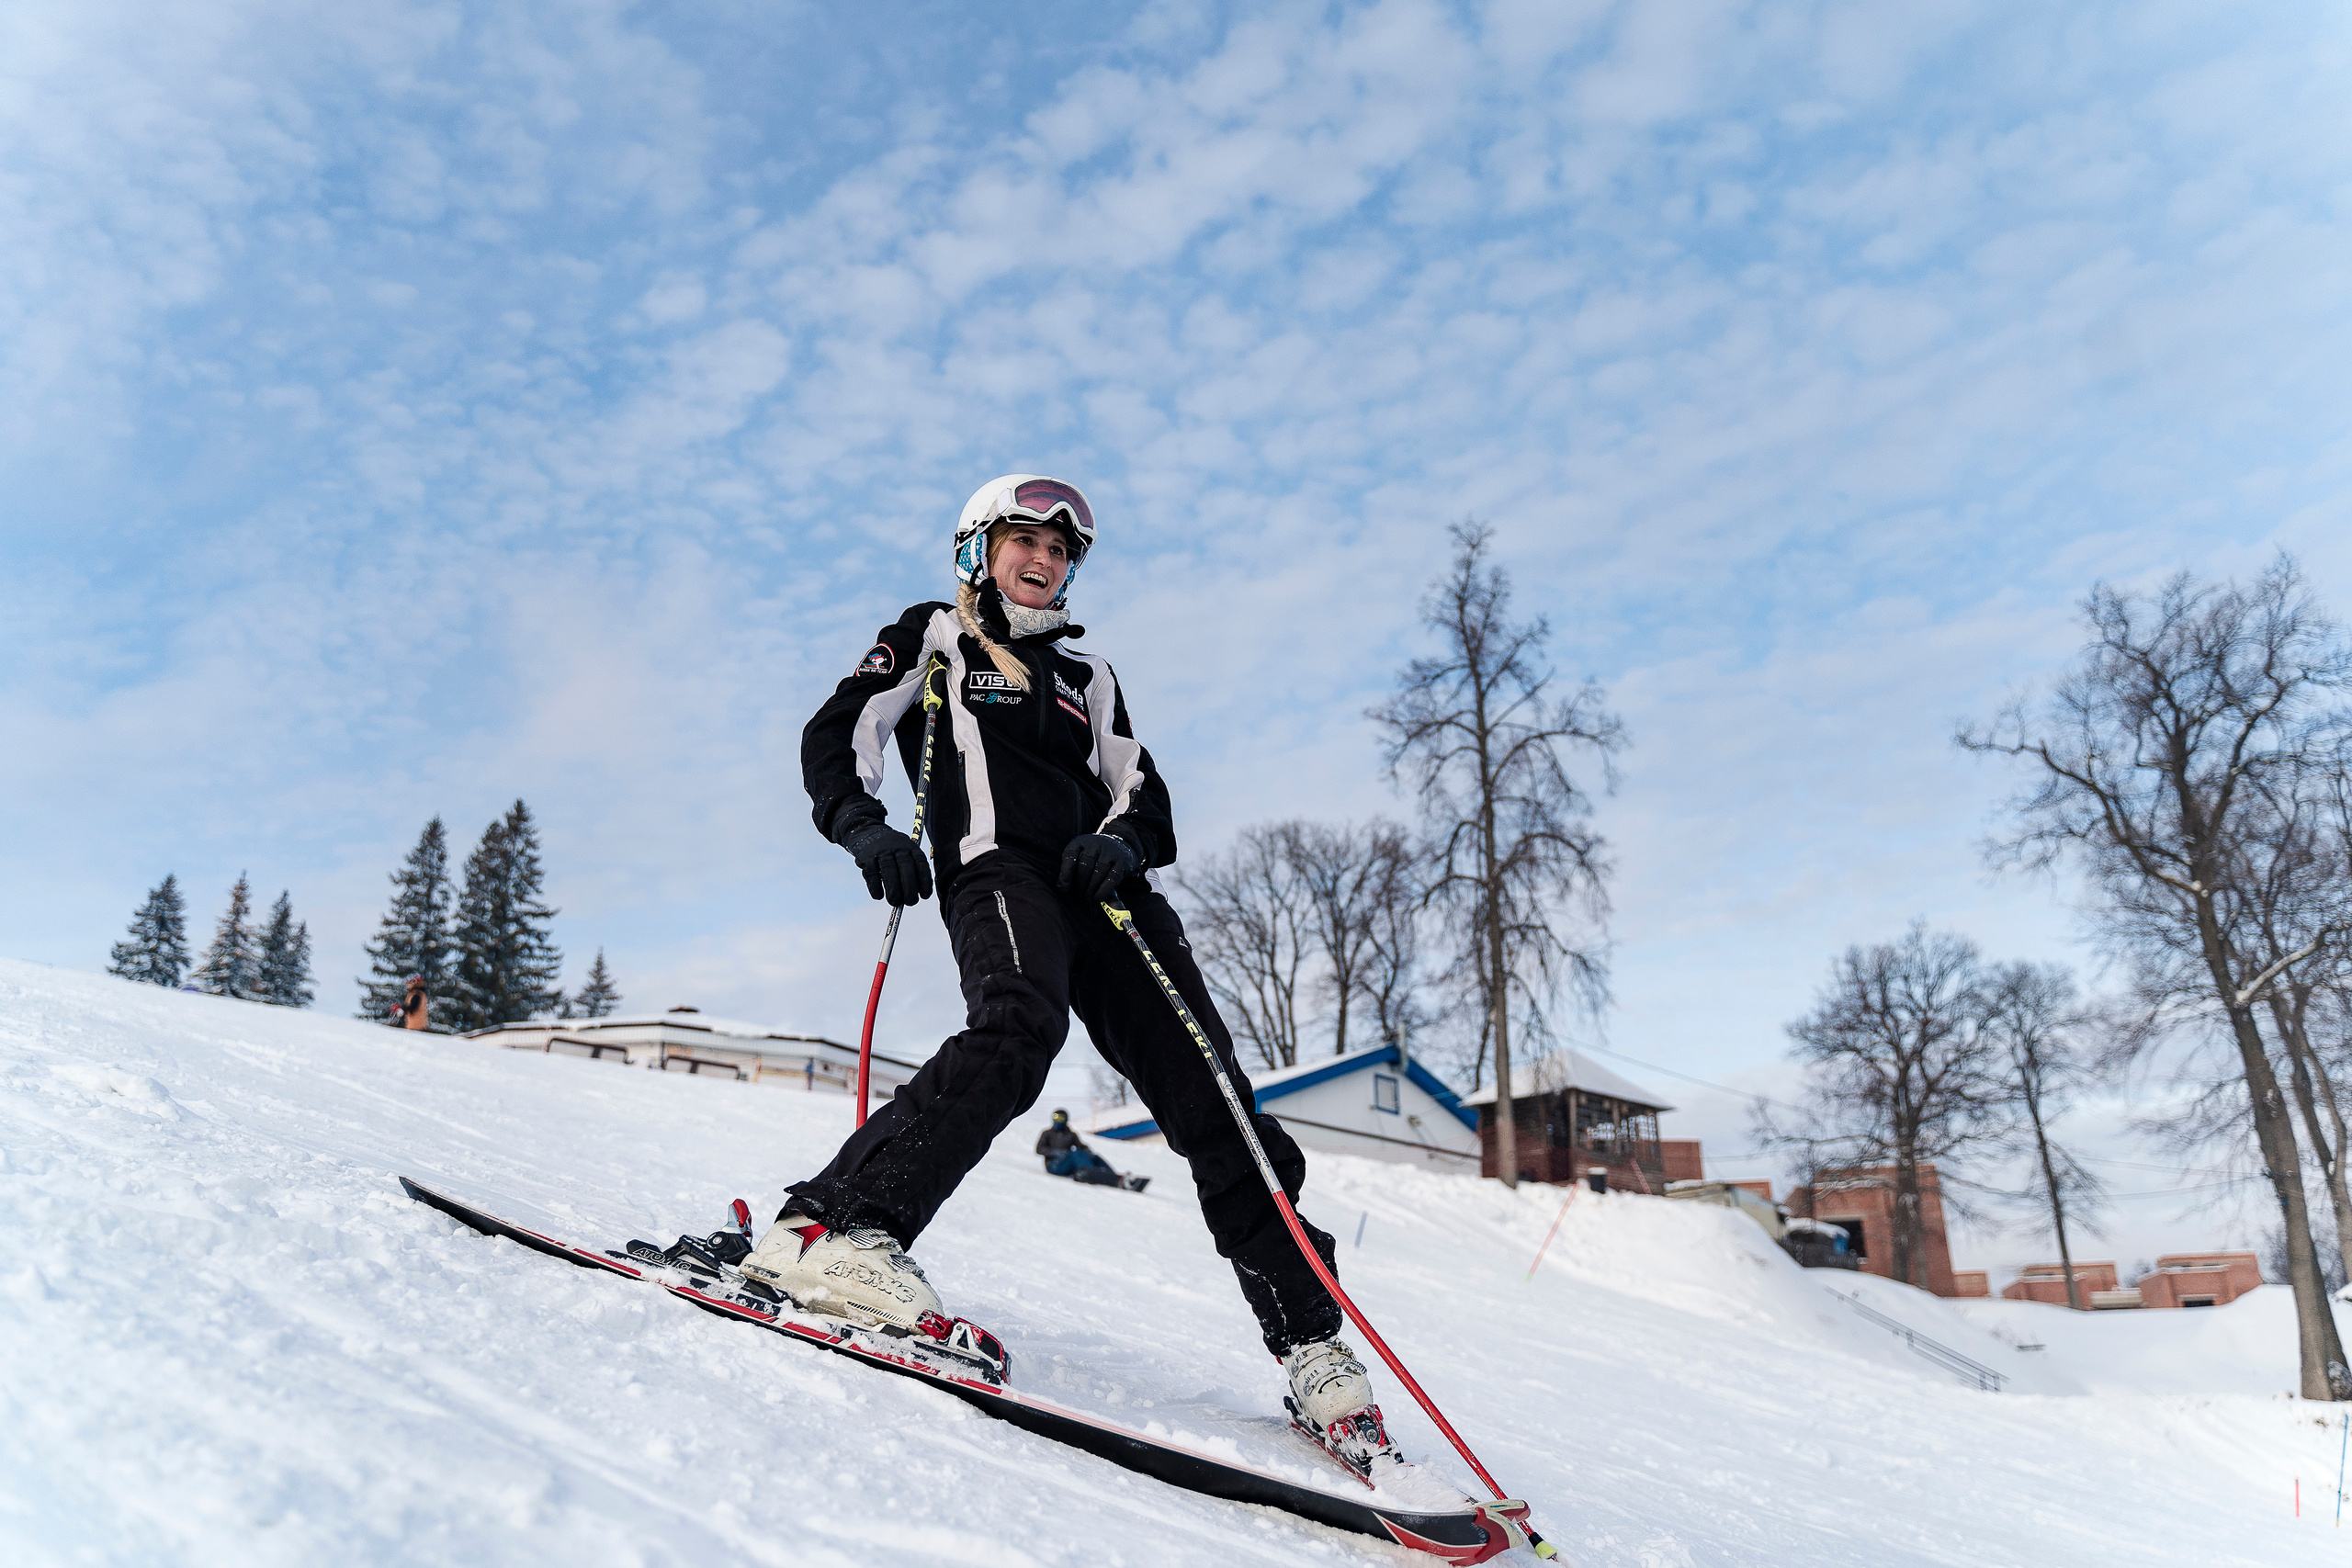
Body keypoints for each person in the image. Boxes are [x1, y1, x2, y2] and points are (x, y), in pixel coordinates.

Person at [741, 474, 1393, 1468]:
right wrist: (861, 824)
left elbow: (1147, 796)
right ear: (978, 548)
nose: (1043, 561)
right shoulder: (935, 636)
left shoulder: (1089, 677)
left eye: (1060, 550)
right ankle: (829, 1232)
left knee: (1213, 1097)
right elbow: (840, 733)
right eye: (1024, 542)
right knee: (1017, 1025)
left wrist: (1124, 844)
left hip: (1108, 895)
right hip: (998, 872)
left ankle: (1311, 1344)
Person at [1035, 1108, 1149, 1192]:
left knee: (1093, 1156)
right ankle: (1089, 1172)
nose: (1058, 1121)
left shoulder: (1071, 1134)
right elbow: (1039, 1149)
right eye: (1056, 1117)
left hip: (1068, 1165)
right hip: (1054, 1165)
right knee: (1075, 1154)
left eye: (1061, 1118)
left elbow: (1081, 1146)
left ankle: (1113, 1175)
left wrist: (1088, 1152)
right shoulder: (1047, 1133)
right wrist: (1055, 1152)